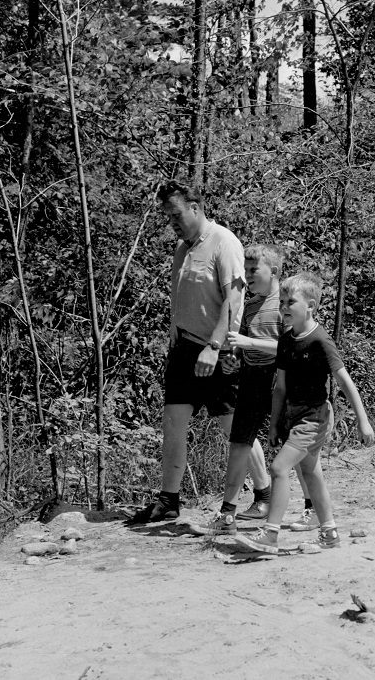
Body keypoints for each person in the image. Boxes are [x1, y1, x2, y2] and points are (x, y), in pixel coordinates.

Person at [128, 180, 258, 523]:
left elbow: (233, 300)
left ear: (196, 208)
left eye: (176, 213)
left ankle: (264, 492)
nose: (171, 221)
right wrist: (174, 328)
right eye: (167, 215)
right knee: (173, 421)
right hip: (185, 349)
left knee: (231, 425)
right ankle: (169, 500)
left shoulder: (224, 243)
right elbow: (182, 293)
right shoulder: (183, 248)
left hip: (218, 351)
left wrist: (214, 347)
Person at [235, 272, 375, 554]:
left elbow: (346, 383)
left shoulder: (320, 341)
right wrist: (275, 424)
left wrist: (363, 422)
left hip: (314, 417)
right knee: (311, 472)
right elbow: (281, 387)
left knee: (278, 468)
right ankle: (330, 533)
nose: (284, 307)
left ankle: (271, 534)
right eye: (282, 301)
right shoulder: (286, 341)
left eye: (291, 302)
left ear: (310, 305)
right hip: (292, 417)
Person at [193, 245, 314, 534]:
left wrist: (250, 344)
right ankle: (227, 517)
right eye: (245, 270)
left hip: (281, 381)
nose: (247, 276)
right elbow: (246, 340)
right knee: (239, 444)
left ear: (273, 272)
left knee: (292, 447)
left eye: (252, 270)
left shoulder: (285, 305)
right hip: (251, 378)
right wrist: (238, 353)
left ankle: (312, 509)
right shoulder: (250, 304)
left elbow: (289, 348)